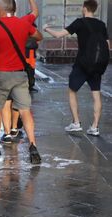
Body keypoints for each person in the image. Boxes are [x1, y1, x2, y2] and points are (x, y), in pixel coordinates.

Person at [0, 0, 43, 164]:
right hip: (20, 75)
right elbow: (38, 36)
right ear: (15, 9)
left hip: (0, 75)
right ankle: (33, 146)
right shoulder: (23, 23)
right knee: (25, 110)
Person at [44, 0, 110, 136]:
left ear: (84, 8)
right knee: (96, 94)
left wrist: (46, 28)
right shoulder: (102, 25)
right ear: (95, 9)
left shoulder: (80, 22)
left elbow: (58, 35)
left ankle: (76, 123)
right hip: (97, 64)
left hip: (82, 64)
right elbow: (108, 46)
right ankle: (95, 127)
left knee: (72, 91)